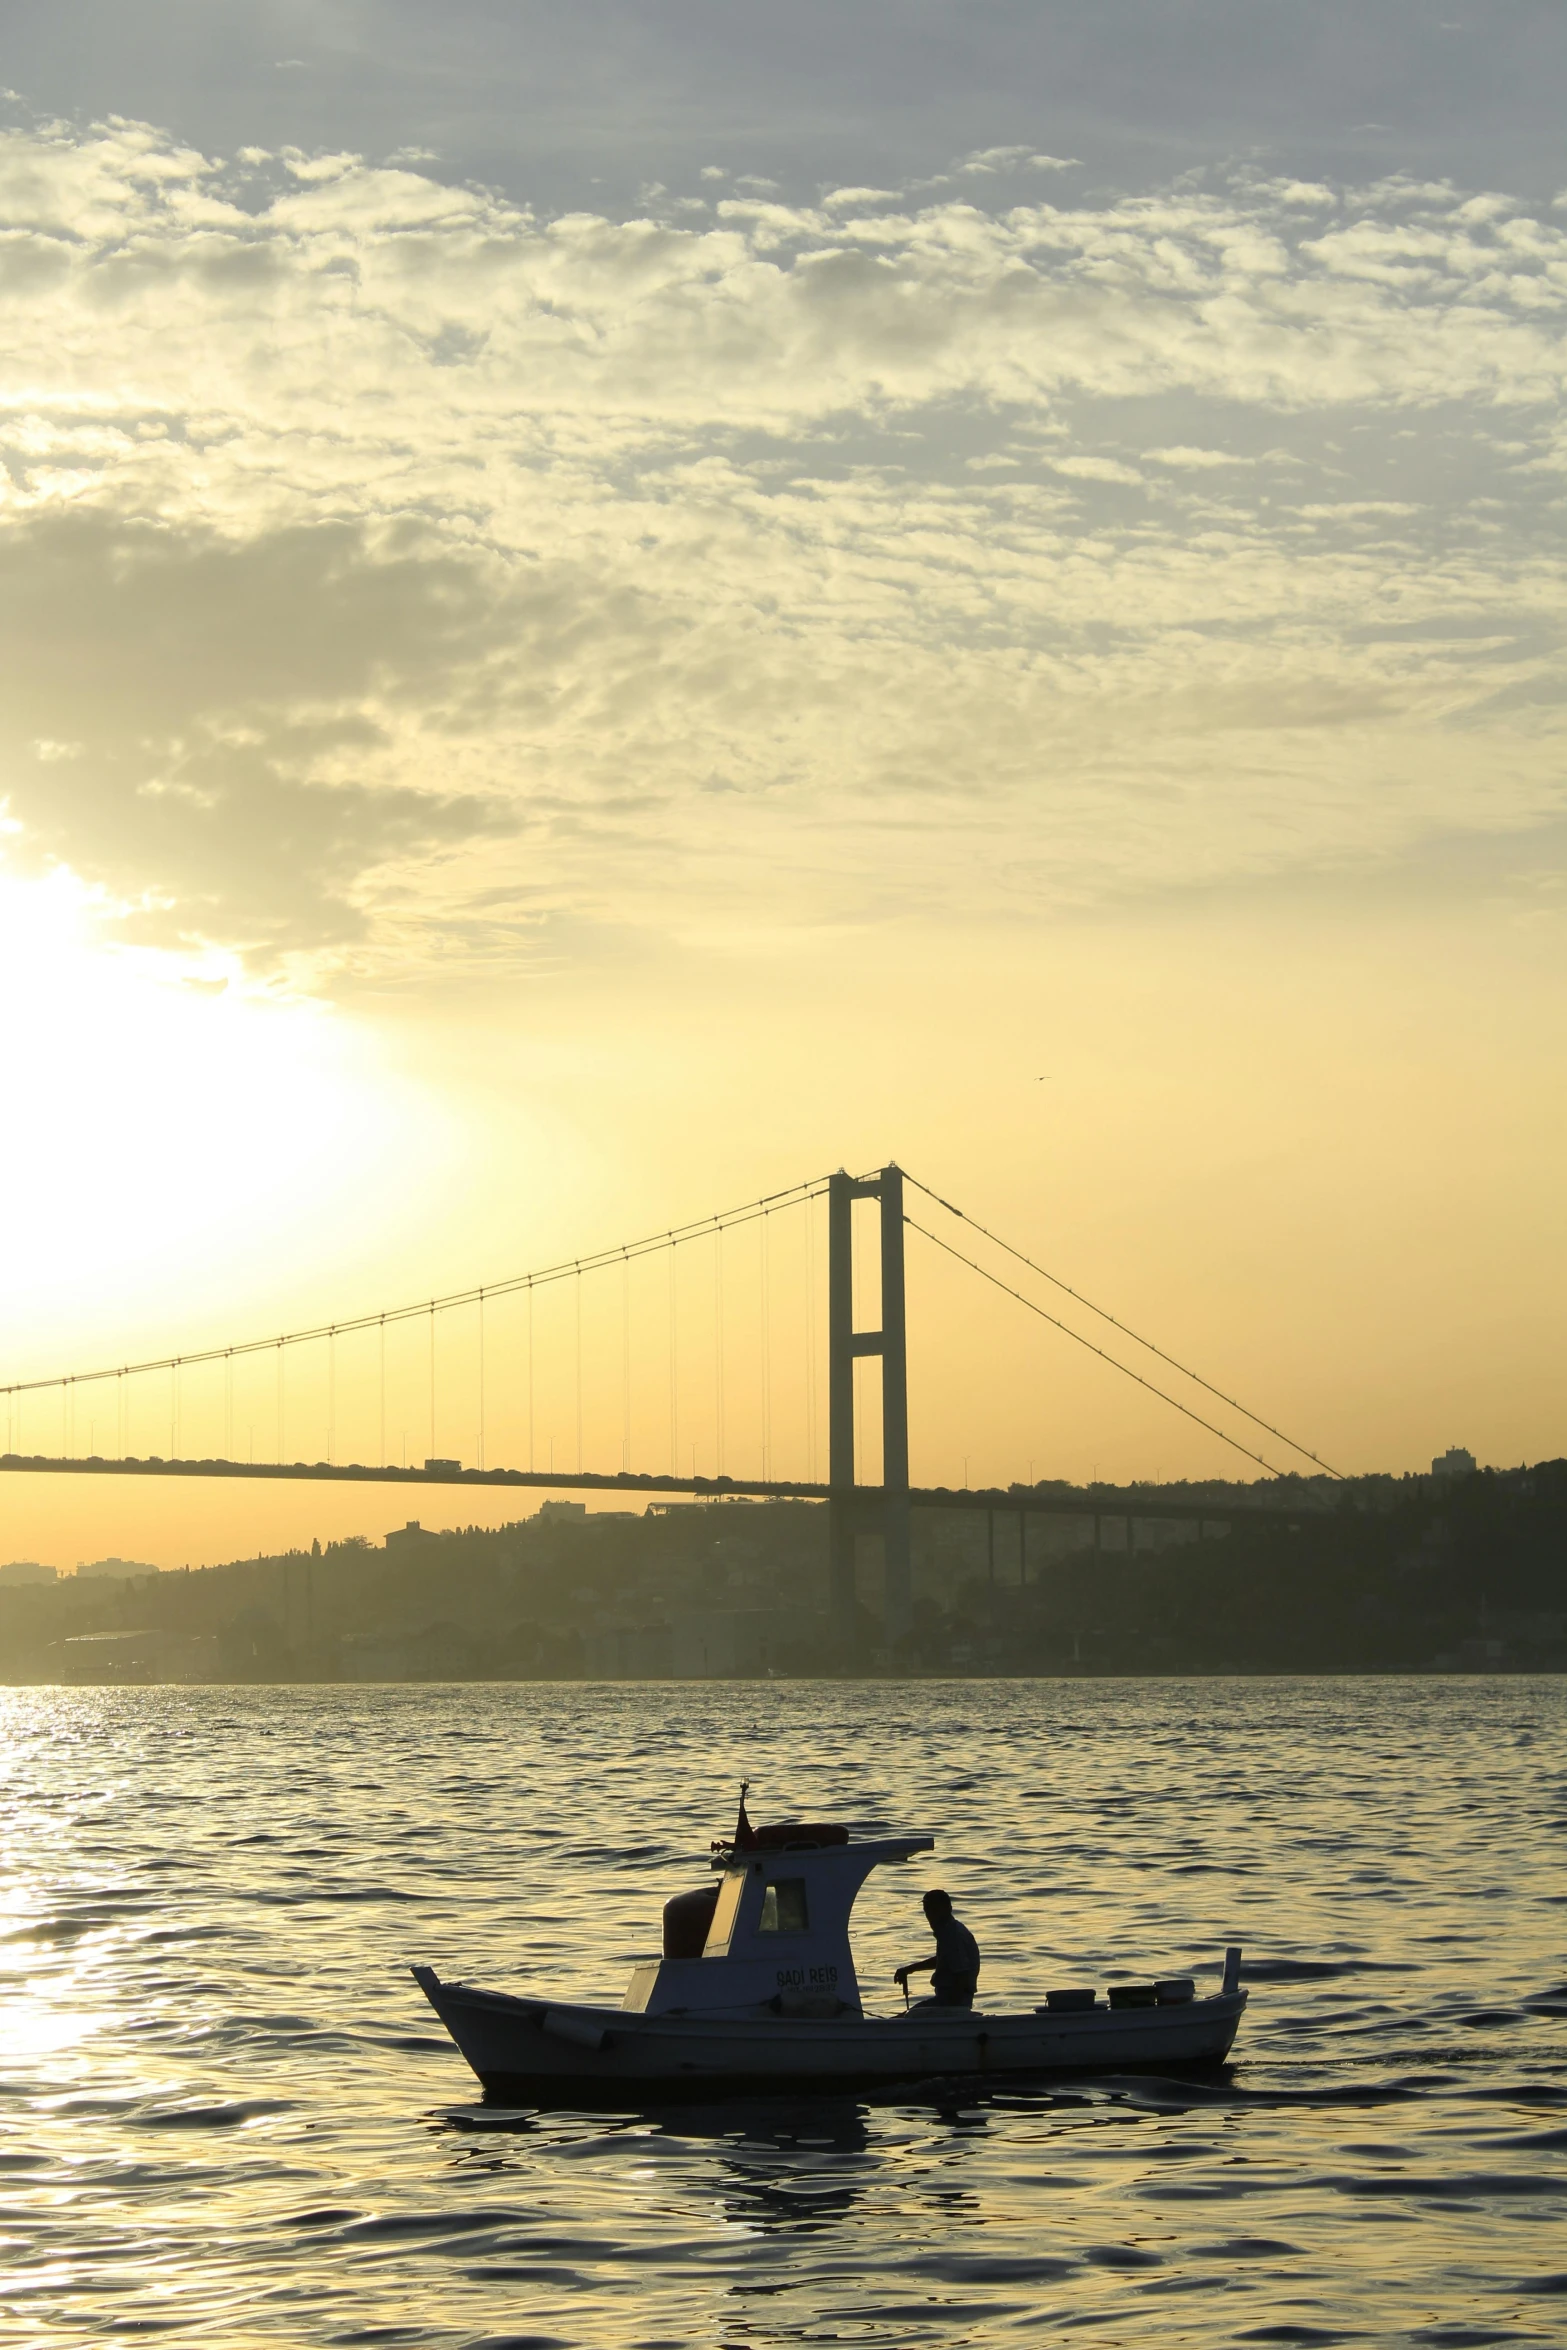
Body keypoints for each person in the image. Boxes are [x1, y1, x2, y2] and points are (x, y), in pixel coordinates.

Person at [894, 1888, 980, 2011]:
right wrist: (909, 1969)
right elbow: (944, 1960)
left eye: (934, 1910)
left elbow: (963, 1974)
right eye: (927, 1911)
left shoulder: (953, 1934)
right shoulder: (947, 1931)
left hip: (953, 2003)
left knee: (910, 2016)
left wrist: (951, 2009)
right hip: (948, 2000)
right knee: (909, 2015)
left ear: (948, 1909)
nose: (930, 1916)